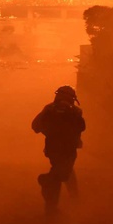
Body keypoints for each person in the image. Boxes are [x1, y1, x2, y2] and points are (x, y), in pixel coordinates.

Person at [32, 85, 85, 214]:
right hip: (67, 150)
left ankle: (67, 198)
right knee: (59, 175)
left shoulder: (50, 109)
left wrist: (49, 131)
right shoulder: (75, 111)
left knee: (65, 171)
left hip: (54, 150)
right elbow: (82, 127)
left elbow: (35, 127)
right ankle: (51, 205)